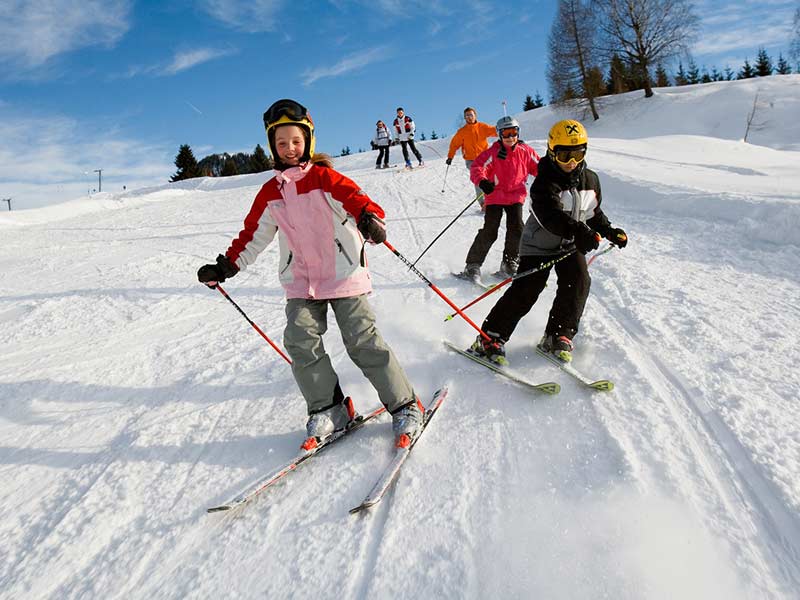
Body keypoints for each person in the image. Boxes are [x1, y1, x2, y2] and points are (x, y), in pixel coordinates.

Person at [197, 99, 424, 450]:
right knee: (301, 343)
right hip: (301, 281)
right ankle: (329, 408)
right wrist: (226, 266)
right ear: (272, 146)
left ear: (309, 142)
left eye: (296, 141)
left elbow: (360, 202)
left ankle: (405, 404)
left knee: (362, 342)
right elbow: (253, 236)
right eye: (282, 142)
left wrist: (369, 220)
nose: (289, 148)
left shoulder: (325, 178)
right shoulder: (271, 193)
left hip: (343, 272)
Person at [469, 119, 628, 365]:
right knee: (526, 290)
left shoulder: (591, 180)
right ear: (552, 152)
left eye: (577, 153)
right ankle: (489, 338)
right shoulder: (544, 181)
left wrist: (609, 230)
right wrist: (579, 232)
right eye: (565, 155)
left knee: (579, 280)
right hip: (538, 245)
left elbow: (593, 212)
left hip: (568, 245)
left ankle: (558, 334)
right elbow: (551, 216)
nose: (572, 161)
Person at [460, 115, 540, 282]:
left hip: (516, 195)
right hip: (495, 196)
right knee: (490, 230)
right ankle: (472, 266)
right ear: (499, 134)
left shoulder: (525, 151)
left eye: (514, 132)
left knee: (517, 228)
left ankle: (509, 263)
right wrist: (482, 181)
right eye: (506, 133)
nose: (510, 137)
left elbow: (539, 168)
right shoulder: (493, 153)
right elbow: (477, 167)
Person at [446, 107, 497, 208]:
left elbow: (495, 131)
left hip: (485, 158)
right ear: (465, 118)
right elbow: (454, 144)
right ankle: (483, 203)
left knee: (491, 178)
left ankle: (494, 200)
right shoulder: (462, 132)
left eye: (471, 115)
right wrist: (450, 157)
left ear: (475, 116)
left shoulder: (483, 127)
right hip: (471, 160)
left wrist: (506, 129)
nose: (469, 117)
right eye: (467, 116)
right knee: (479, 179)